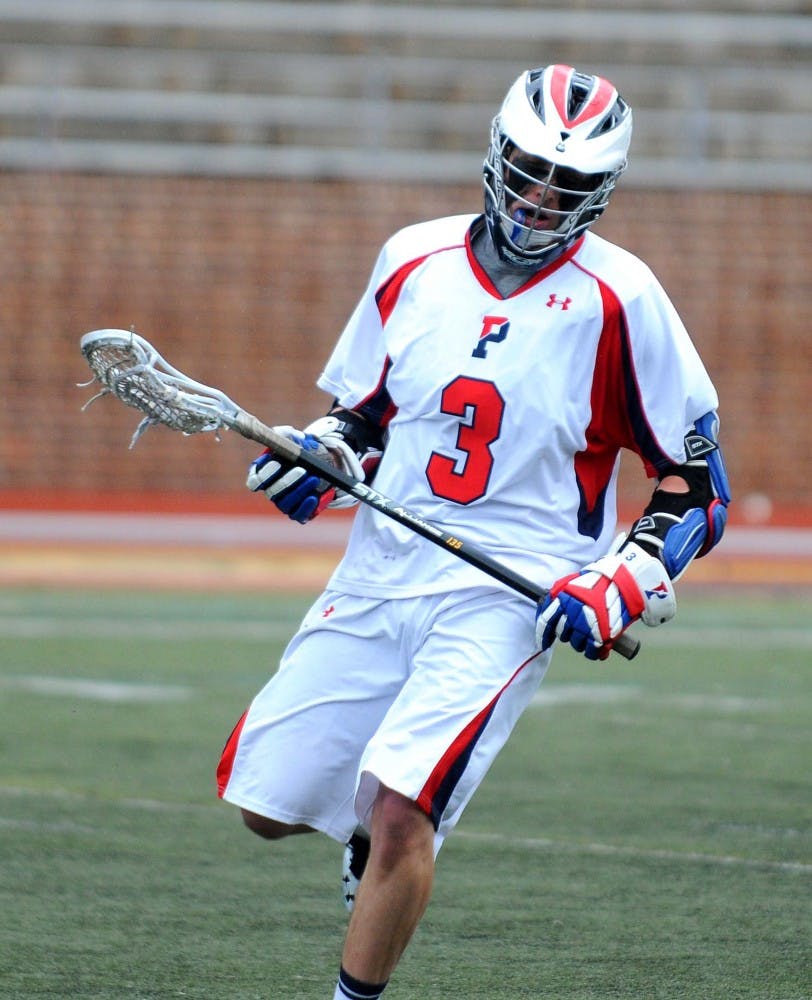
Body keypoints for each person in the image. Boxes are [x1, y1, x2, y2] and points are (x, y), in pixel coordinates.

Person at [216, 63, 730, 999]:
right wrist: (321, 454)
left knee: (412, 812)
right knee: (267, 806)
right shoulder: (413, 257)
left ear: (601, 194)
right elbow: (364, 413)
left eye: (567, 186)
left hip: (511, 591)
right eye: (528, 171)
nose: (539, 199)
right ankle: (365, 837)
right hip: (382, 567)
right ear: (495, 155)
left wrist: (624, 575)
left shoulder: (624, 299)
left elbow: (696, 486)